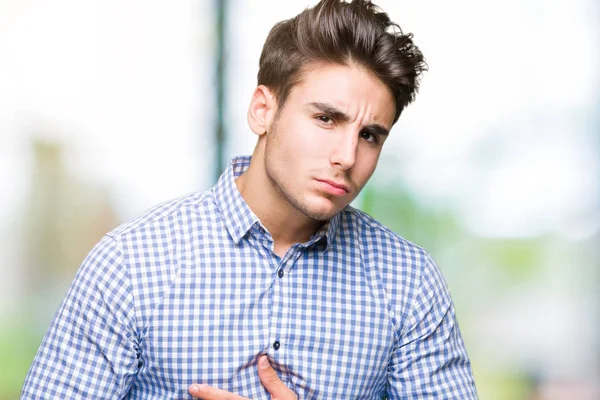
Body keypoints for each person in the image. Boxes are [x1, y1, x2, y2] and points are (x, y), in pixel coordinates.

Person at [22, 0, 478, 398]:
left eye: (370, 136)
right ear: (263, 110)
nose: (347, 157)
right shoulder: (133, 264)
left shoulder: (408, 284)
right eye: (325, 119)